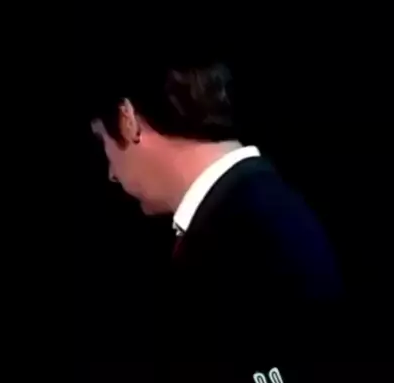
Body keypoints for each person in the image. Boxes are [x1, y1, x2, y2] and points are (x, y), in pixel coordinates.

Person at [90, 59, 342, 304]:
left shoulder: (240, 243)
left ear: (127, 119)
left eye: (103, 141)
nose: (112, 173)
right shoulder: (265, 207)